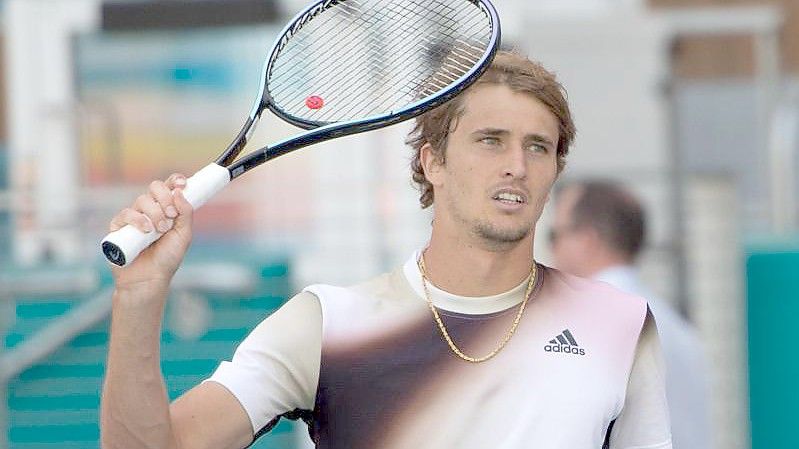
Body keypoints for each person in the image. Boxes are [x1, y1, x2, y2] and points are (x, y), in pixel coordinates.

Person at [100, 52, 672, 449]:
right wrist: (140, 298)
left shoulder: (619, 324)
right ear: (433, 161)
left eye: (538, 148)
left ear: (554, 170)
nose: (516, 167)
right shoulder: (327, 324)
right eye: (490, 140)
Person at [550, 179, 711, 449]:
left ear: (587, 240)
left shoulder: (587, 323)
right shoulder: (679, 329)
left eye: (554, 236)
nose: (550, 250)